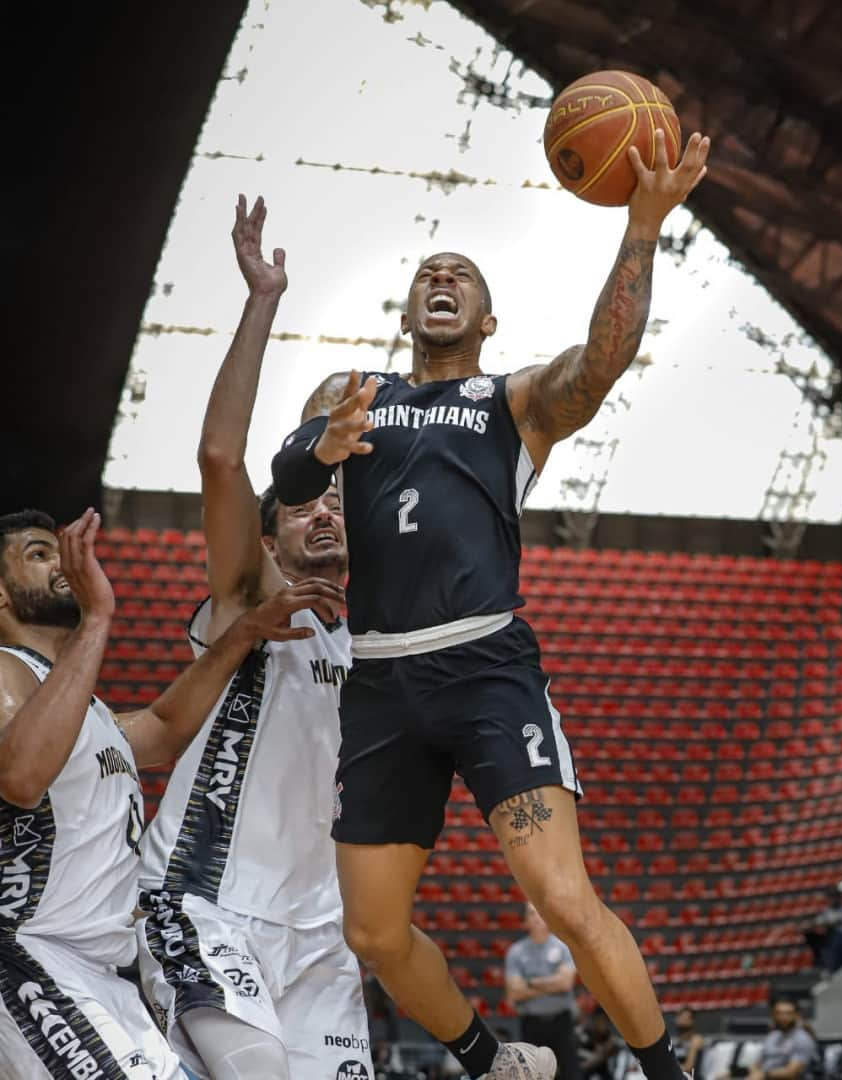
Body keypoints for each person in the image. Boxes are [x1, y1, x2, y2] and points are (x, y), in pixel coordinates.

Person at [271, 127, 711, 1080]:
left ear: (486, 316)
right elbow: (287, 474)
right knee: (375, 935)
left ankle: (665, 1071)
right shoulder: (356, 394)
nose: (442, 276)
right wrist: (327, 441)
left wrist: (641, 229)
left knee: (563, 898)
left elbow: (602, 361)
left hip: (485, 668)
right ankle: (490, 1062)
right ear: (406, 308)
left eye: (461, 273)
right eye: (428, 270)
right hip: (381, 681)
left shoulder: (508, 399)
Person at [136, 195, 371, 1080]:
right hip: (205, 900)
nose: (323, 511)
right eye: (303, 501)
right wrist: (263, 299)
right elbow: (222, 461)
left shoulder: (385, 634)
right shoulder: (250, 596)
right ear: (267, 539)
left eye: (339, 498)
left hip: (323, 930)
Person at [0, 508, 329, 1078]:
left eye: (59, 549)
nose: (62, 562)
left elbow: (164, 726)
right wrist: (97, 616)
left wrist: (245, 632)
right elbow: (21, 776)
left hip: (98, 974)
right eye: (38, 553)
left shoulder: (79, 705)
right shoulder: (8, 670)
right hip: (29, 957)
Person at [505, 904, 581, 1080]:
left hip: (561, 1023)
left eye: (540, 913)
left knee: (572, 1074)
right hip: (531, 1025)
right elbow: (514, 993)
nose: (536, 918)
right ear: (526, 920)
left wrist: (529, 983)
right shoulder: (516, 952)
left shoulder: (563, 947)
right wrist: (551, 983)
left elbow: (565, 983)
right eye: (531, 913)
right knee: (531, 1076)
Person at [746, 997, 818, 1080]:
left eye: (788, 1013)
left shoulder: (803, 1039)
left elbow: (792, 1073)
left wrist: (764, 1075)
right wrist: (754, 1071)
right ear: (773, 1014)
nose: (783, 1017)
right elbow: (758, 1063)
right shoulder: (772, 1036)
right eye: (778, 1013)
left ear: (797, 1015)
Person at [578, 1008, 620, 1080]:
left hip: (601, 1070)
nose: (602, 1025)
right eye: (599, 1021)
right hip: (584, 1070)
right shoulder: (585, 1034)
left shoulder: (608, 1037)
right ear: (594, 1021)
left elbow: (613, 1051)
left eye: (605, 1022)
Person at [670, 1007, 706, 1076]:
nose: (681, 1020)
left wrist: (667, 1070)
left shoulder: (696, 1040)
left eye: (685, 1018)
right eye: (680, 1017)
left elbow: (688, 1067)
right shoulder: (674, 1041)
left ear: (692, 1021)